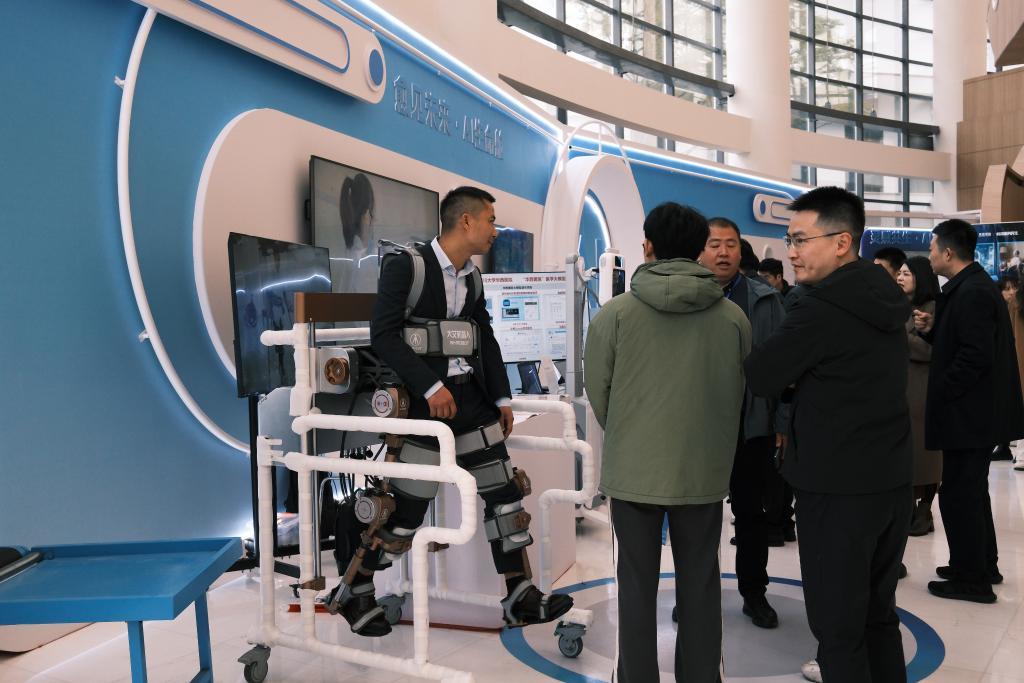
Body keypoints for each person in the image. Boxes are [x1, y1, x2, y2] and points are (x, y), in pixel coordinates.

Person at [350, 186, 572, 636]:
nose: (495, 230)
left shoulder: (473, 278)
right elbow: (383, 335)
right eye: (491, 220)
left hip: (471, 400)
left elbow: (484, 339)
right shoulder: (406, 266)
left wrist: (502, 399)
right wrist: (430, 386)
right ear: (465, 221)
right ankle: (355, 590)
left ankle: (520, 594)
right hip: (422, 404)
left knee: (505, 493)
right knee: (404, 512)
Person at [745, 186, 913, 683]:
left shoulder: (820, 307)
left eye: (800, 239)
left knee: (838, 629)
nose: (791, 252)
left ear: (842, 242)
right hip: (890, 478)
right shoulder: (884, 294)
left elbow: (762, 375)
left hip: (836, 486)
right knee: (878, 616)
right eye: (788, 240)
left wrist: (795, 377)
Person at [585, 202, 750, 683]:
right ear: (700, 250)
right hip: (702, 470)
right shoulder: (733, 318)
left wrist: (630, 430)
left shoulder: (614, 315)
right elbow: (737, 391)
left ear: (648, 247)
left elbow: (599, 392)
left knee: (635, 587)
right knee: (701, 584)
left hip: (633, 470)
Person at [913, 219, 1024, 602]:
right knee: (970, 492)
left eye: (932, 249)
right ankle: (979, 565)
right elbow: (963, 341)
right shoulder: (970, 287)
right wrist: (933, 329)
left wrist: (942, 390)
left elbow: (974, 356)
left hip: (969, 414)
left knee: (959, 494)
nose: (929, 256)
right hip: (973, 413)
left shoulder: (972, 292)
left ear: (948, 252)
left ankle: (971, 579)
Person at [700, 217, 787, 629]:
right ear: (700, 251)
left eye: (731, 244)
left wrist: (781, 421)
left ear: (740, 250)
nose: (723, 252)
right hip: (698, 428)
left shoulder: (765, 300)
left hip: (750, 428)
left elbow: (783, 367)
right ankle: (695, 594)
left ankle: (754, 593)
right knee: (697, 518)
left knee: (751, 514)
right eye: (714, 244)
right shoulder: (687, 297)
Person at [896, 257, 943, 536]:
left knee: (926, 456)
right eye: (899, 273)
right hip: (901, 389)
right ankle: (910, 509)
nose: (900, 277)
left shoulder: (933, 309)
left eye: (907, 273)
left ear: (920, 277)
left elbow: (932, 351)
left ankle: (924, 509)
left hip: (923, 390)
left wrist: (899, 335)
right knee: (907, 454)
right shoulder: (897, 307)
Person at [993, 276, 1021, 462]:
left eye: (1014, 288)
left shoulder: (1015, 307)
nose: (1012, 292)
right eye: (1007, 288)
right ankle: (1003, 446)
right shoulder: (1000, 309)